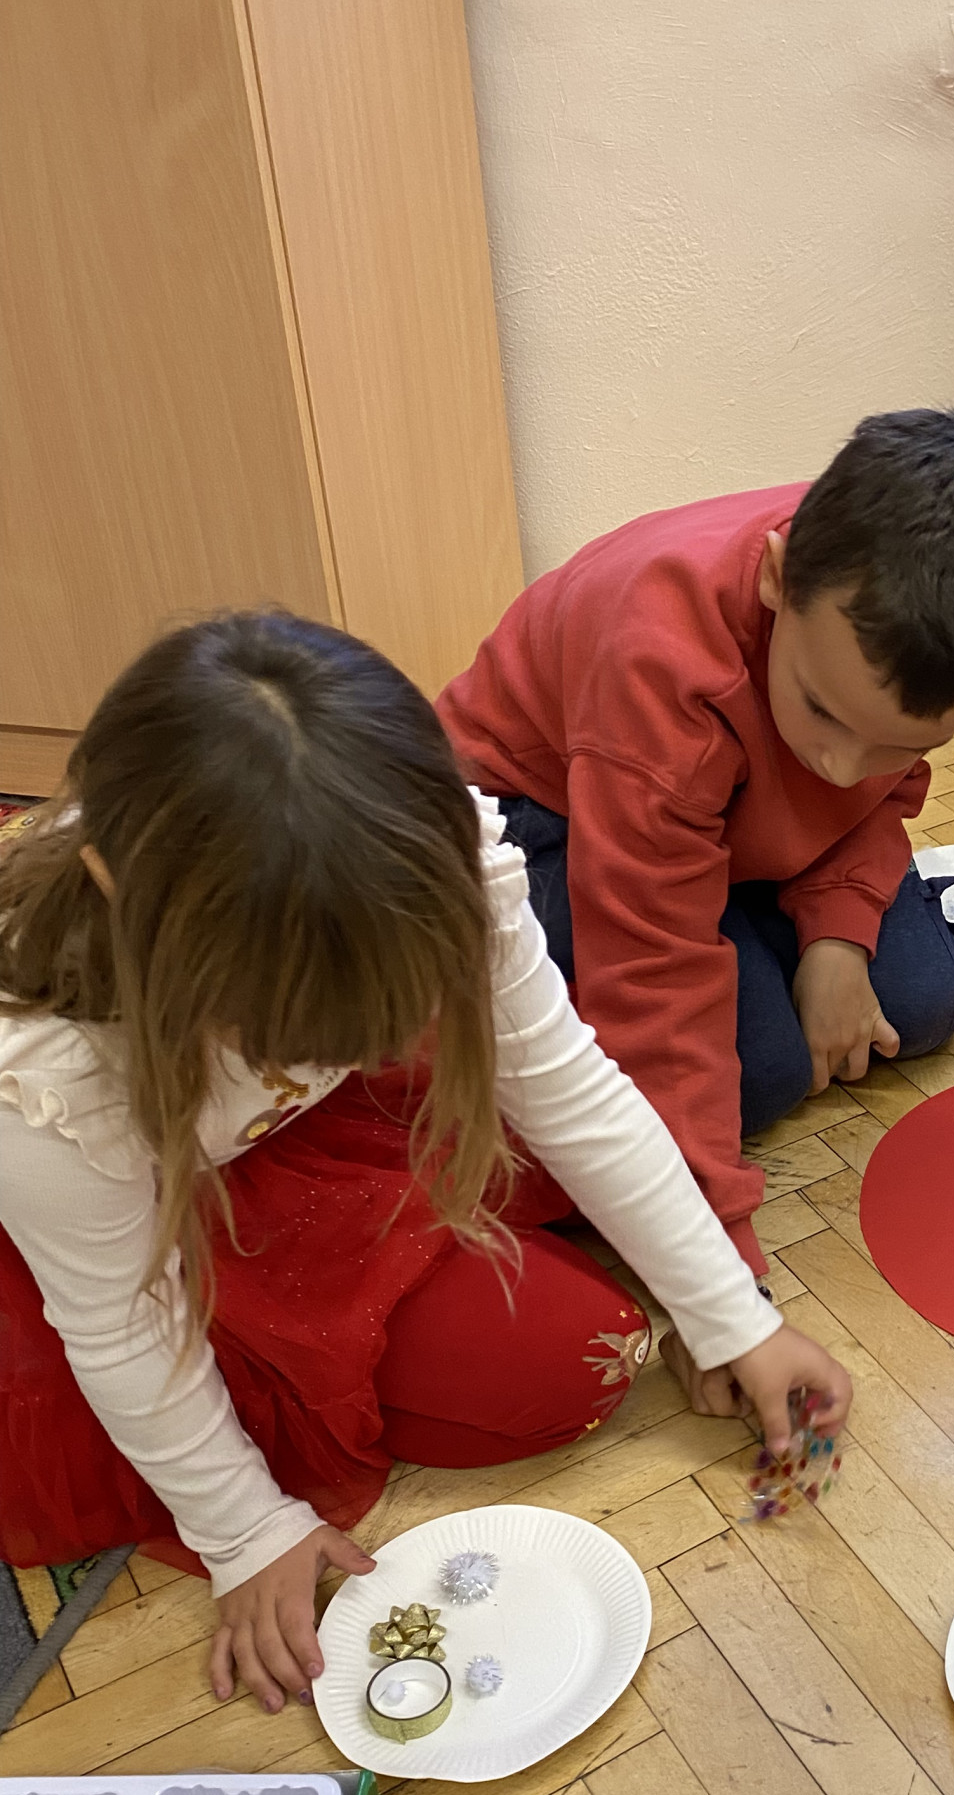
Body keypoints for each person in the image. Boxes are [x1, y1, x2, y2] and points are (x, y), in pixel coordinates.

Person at [0, 615, 850, 1714]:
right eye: (279, 1030)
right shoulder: (46, 1071)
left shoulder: (426, 855)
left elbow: (570, 1089)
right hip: (118, 1199)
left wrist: (732, 1315)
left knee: (594, 1265)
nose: (329, 1056)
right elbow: (122, 1322)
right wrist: (244, 1529)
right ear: (118, 889)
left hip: (287, 1133)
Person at [435, 409, 954, 1375]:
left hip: (714, 821)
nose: (841, 764)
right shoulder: (661, 666)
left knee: (924, 999)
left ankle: (763, 928)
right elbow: (653, 982)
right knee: (760, 1068)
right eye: (822, 711)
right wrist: (722, 1297)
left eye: (901, 743)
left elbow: (871, 795)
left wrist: (840, 937)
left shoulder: (877, 646)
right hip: (542, 815)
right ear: (777, 577)